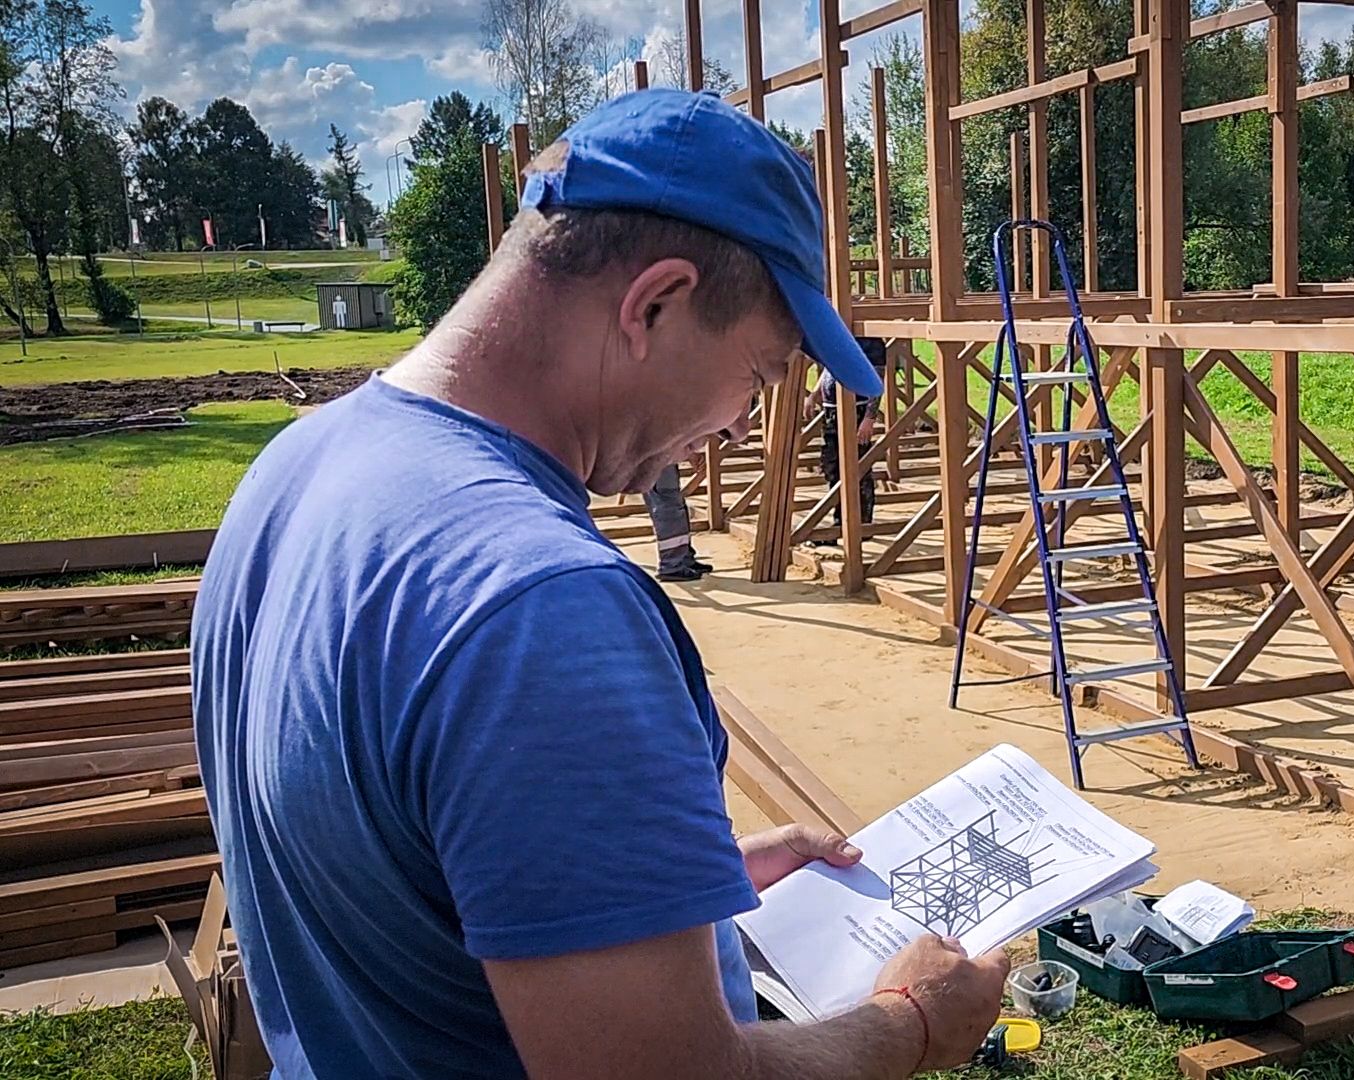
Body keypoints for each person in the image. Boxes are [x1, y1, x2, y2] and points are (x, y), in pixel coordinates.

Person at [190, 89, 1007, 1079]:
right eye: (758, 372)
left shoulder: (294, 472)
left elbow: (402, 878)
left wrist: (673, 893)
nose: (747, 423)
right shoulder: (544, 608)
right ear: (653, 305)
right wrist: (913, 1022)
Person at [806, 336, 886, 530]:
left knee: (858, 467)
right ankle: (841, 520)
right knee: (833, 466)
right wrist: (815, 393)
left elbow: (876, 380)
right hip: (832, 410)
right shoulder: (840, 334)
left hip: (855, 410)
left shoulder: (871, 342)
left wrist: (869, 417)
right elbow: (830, 367)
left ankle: (862, 523)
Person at [643, 461, 713, 581]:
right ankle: (671, 565)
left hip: (662, 457)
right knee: (669, 506)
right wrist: (690, 454)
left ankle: (683, 558)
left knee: (672, 504)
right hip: (659, 457)